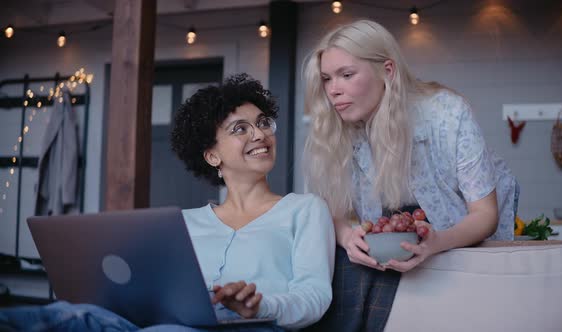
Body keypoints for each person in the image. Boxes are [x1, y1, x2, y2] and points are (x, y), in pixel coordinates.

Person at [0, 74, 335, 332]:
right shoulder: (182, 223)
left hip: (258, 327)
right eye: (240, 128)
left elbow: (314, 296)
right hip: (172, 324)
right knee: (73, 315)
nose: (260, 134)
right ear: (211, 155)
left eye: (263, 123)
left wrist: (260, 306)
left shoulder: (304, 209)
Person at [301, 20, 518, 331]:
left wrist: (437, 242)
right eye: (326, 79)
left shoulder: (447, 114)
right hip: (401, 236)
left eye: (346, 75)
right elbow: (330, 209)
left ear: (387, 71)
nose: (333, 90)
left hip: (462, 234)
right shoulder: (339, 127)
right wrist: (348, 237)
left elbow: (485, 215)